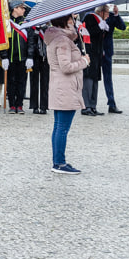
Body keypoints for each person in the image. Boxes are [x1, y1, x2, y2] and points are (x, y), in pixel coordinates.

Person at [46, 13, 90, 174]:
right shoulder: (63, 41)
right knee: (62, 128)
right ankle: (59, 163)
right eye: (71, 18)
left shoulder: (59, 38)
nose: (73, 21)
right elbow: (66, 66)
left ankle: (58, 161)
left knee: (59, 127)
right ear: (64, 20)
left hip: (61, 87)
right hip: (66, 88)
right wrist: (84, 61)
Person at [81, 5, 111, 116]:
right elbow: (89, 32)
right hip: (90, 52)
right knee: (88, 79)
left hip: (97, 54)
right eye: (107, 13)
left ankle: (93, 106)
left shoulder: (101, 20)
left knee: (95, 80)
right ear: (101, 12)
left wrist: (104, 29)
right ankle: (86, 106)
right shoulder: (90, 17)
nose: (108, 15)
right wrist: (99, 27)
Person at [3, 2, 30, 115]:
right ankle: (12, 105)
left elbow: (31, 41)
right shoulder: (7, 23)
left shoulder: (26, 23)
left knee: (21, 82)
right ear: (15, 8)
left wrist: (30, 57)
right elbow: (3, 40)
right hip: (10, 57)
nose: (24, 10)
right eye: (22, 8)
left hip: (23, 57)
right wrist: (4, 56)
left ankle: (20, 104)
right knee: (10, 82)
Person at [100, 4, 126, 113]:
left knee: (108, 78)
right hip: (95, 51)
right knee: (90, 78)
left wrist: (116, 14)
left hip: (107, 51)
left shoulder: (111, 16)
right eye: (105, 11)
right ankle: (88, 104)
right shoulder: (92, 16)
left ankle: (111, 103)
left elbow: (122, 27)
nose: (107, 12)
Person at [28, 25, 51, 115]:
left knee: (45, 82)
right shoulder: (32, 28)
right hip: (34, 57)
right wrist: (37, 31)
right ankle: (34, 106)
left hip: (45, 57)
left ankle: (44, 106)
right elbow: (30, 41)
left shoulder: (49, 28)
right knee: (34, 82)